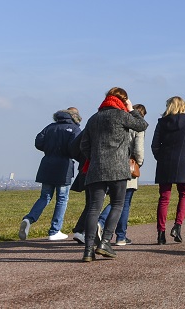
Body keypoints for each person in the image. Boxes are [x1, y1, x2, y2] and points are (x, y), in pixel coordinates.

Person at [78, 87, 148, 262]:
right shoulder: (122, 115)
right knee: (117, 204)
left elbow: (83, 145)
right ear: (123, 101)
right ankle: (105, 242)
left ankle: (88, 250)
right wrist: (132, 109)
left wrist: (95, 158)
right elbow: (142, 125)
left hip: (96, 168)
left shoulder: (93, 119)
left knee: (94, 208)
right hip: (118, 167)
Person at [19, 107, 81, 241]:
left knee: (45, 197)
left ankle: (29, 219)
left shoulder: (50, 127)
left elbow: (38, 142)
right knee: (62, 199)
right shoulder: (74, 129)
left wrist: (49, 149)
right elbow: (75, 147)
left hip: (47, 164)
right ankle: (55, 230)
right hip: (64, 166)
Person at [152, 96, 185, 244]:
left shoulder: (161, 122)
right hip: (184, 162)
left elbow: (155, 145)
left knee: (164, 198)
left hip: (165, 163)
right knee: (184, 195)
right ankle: (177, 226)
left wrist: (160, 158)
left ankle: (161, 233)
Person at [97, 103, 147, 246]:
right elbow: (139, 150)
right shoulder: (138, 127)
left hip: (112, 164)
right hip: (128, 165)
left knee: (115, 200)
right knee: (123, 203)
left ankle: (104, 225)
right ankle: (119, 235)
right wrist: (139, 163)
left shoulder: (119, 122)